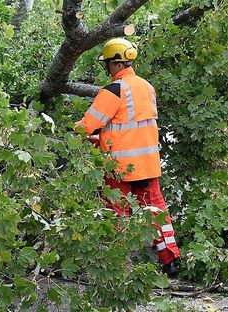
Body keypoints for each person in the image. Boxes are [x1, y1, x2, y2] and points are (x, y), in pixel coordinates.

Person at [75, 38, 180, 276]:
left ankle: (117, 263)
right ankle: (170, 261)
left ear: (114, 64)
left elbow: (88, 125)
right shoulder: (147, 87)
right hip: (148, 165)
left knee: (116, 214)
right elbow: (131, 128)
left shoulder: (114, 90)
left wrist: (74, 130)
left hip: (119, 168)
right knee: (156, 212)